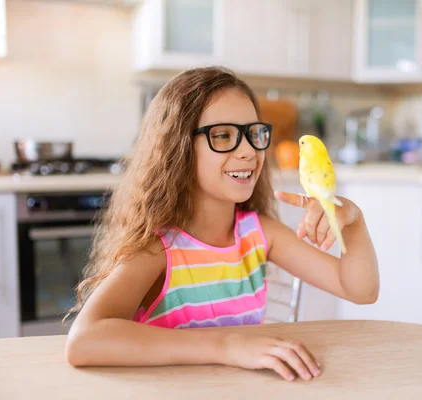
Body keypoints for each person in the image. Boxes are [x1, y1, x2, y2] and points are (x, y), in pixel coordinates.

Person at [65, 66, 380, 382]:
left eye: (253, 134)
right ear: (178, 149)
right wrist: (227, 345)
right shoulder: (159, 249)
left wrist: (354, 224)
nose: (248, 151)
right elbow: (84, 341)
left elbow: (360, 290)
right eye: (223, 136)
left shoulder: (260, 234)